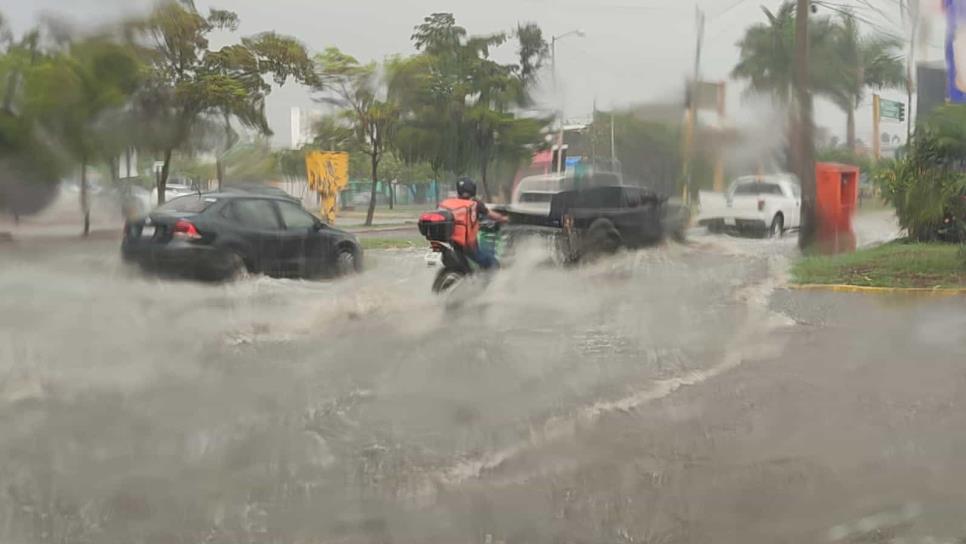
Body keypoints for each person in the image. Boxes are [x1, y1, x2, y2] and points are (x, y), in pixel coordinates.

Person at [439, 177, 508, 270]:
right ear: (473, 190)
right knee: (493, 263)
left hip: (451, 243)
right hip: (468, 247)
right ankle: (489, 284)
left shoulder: (450, 203)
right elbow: (491, 215)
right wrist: (504, 218)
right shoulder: (475, 204)